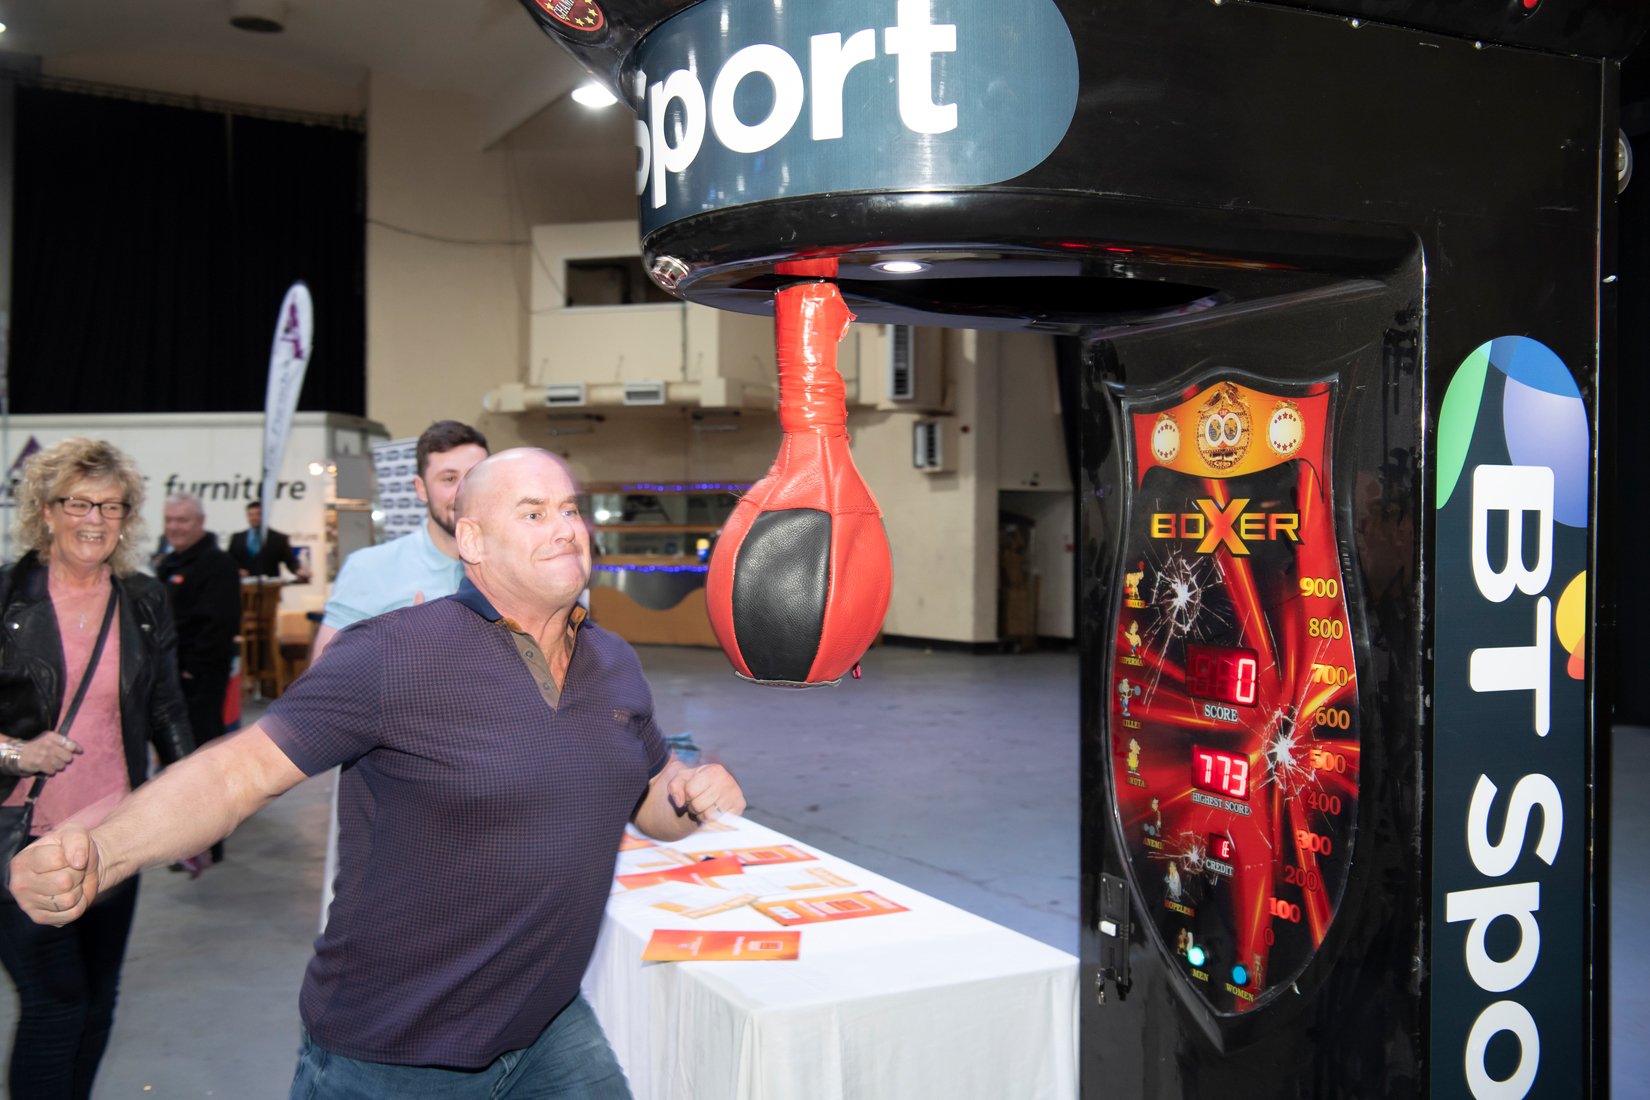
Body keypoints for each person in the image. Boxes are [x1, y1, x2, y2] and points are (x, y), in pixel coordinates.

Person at [11, 448, 745, 1097]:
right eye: (533, 513)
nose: (565, 529)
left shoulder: (612, 661)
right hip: (395, 1051)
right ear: (473, 540)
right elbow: (237, 774)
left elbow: (646, 794)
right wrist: (104, 852)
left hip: (549, 1025)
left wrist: (686, 793)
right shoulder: (396, 655)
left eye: (569, 509)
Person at [0, 438, 195, 1100]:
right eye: (79, 503)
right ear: (46, 511)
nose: (96, 519)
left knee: (97, 1000)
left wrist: (194, 806)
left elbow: (166, 706)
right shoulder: (7, 596)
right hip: (23, 835)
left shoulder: (142, 599)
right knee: (55, 1003)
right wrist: (17, 752)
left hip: (114, 834)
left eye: (112, 506)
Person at [309, 419, 488, 662]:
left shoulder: (516, 563)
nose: (463, 492)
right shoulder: (369, 568)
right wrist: (401, 655)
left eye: (475, 476)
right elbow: (325, 674)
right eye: (449, 479)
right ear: (421, 489)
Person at [155, 492, 242, 866]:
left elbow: (220, 623)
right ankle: (182, 842)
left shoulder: (217, 564)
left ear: (200, 523)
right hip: (170, 681)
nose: (175, 527)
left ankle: (208, 844)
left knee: (201, 759)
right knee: (175, 764)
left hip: (200, 681)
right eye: (169, 520)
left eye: (183, 520)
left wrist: (192, 667)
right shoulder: (168, 563)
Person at [227, 502, 309, 581]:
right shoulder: (237, 538)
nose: (254, 518)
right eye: (250, 515)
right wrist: (237, 570)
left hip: (270, 586)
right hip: (244, 586)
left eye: (258, 514)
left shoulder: (278, 538)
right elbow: (230, 561)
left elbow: (290, 561)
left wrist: (299, 571)